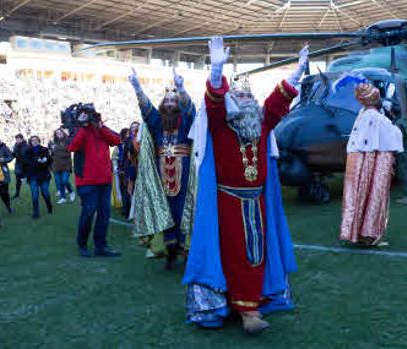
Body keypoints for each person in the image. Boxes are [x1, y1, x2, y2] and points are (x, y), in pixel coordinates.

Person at [182, 37, 306, 333]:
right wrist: (215, 69)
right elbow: (213, 101)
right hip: (228, 203)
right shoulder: (221, 126)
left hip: (258, 201)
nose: (248, 101)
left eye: (251, 98)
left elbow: (277, 104)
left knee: (258, 252)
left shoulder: (262, 124)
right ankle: (242, 310)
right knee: (234, 253)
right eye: (241, 97)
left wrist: (298, 72)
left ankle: (251, 304)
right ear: (232, 104)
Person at [128, 67, 196, 269]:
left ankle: (185, 251)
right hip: (161, 176)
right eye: (166, 101)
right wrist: (137, 87)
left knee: (183, 211)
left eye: (172, 101)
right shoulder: (157, 122)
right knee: (165, 212)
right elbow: (146, 109)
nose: (169, 104)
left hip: (184, 177)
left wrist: (181, 88)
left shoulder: (185, 121)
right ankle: (169, 252)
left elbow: (191, 109)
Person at [340, 82, 403, 246]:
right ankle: (369, 233)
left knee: (357, 195)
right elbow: (395, 134)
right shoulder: (375, 117)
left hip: (356, 159)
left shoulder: (362, 114)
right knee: (373, 193)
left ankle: (356, 232)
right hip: (367, 159)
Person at [66, 103, 121, 258]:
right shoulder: (79, 130)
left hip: (104, 180)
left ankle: (101, 246)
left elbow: (117, 140)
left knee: (104, 215)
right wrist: (82, 126)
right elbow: (72, 146)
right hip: (87, 181)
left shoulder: (102, 129)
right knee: (88, 213)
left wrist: (101, 127)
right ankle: (82, 244)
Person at [23, 136, 53, 219]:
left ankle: (49, 206)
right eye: (33, 140)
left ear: (39, 141)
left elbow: (50, 160)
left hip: (44, 175)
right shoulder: (27, 151)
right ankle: (36, 212)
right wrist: (37, 160)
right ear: (30, 142)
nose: (35, 142)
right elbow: (26, 163)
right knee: (35, 195)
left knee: (45, 193)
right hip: (33, 176)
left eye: (36, 140)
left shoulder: (45, 149)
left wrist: (46, 160)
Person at [50, 128, 76, 204]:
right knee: (59, 182)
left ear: (63, 133)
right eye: (57, 133)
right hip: (56, 165)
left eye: (60, 132)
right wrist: (51, 151)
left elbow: (68, 152)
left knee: (64, 181)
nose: (59, 134)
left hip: (66, 165)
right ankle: (63, 197)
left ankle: (71, 192)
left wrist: (57, 149)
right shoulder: (54, 143)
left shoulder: (67, 141)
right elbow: (52, 154)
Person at [123, 122, 140, 218]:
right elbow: (127, 155)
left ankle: (134, 212)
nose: (134, 129)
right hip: (131, 167)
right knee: (129, 189)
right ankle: (128, 210)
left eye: (136, 127)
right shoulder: (129, 140)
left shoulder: (140, 139)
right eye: (132, 127)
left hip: (137, 167)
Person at [12, 134, 27, 199]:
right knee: (17, 179)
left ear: (22, 139)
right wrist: (13, 154)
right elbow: (15, 154)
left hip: (25, 164)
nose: (17, 140)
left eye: (19, 139)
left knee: (30, 179)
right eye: (16, 139)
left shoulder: (26, 145)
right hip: (18, 163)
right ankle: (17, 194)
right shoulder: (16, 145)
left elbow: (25, 154)